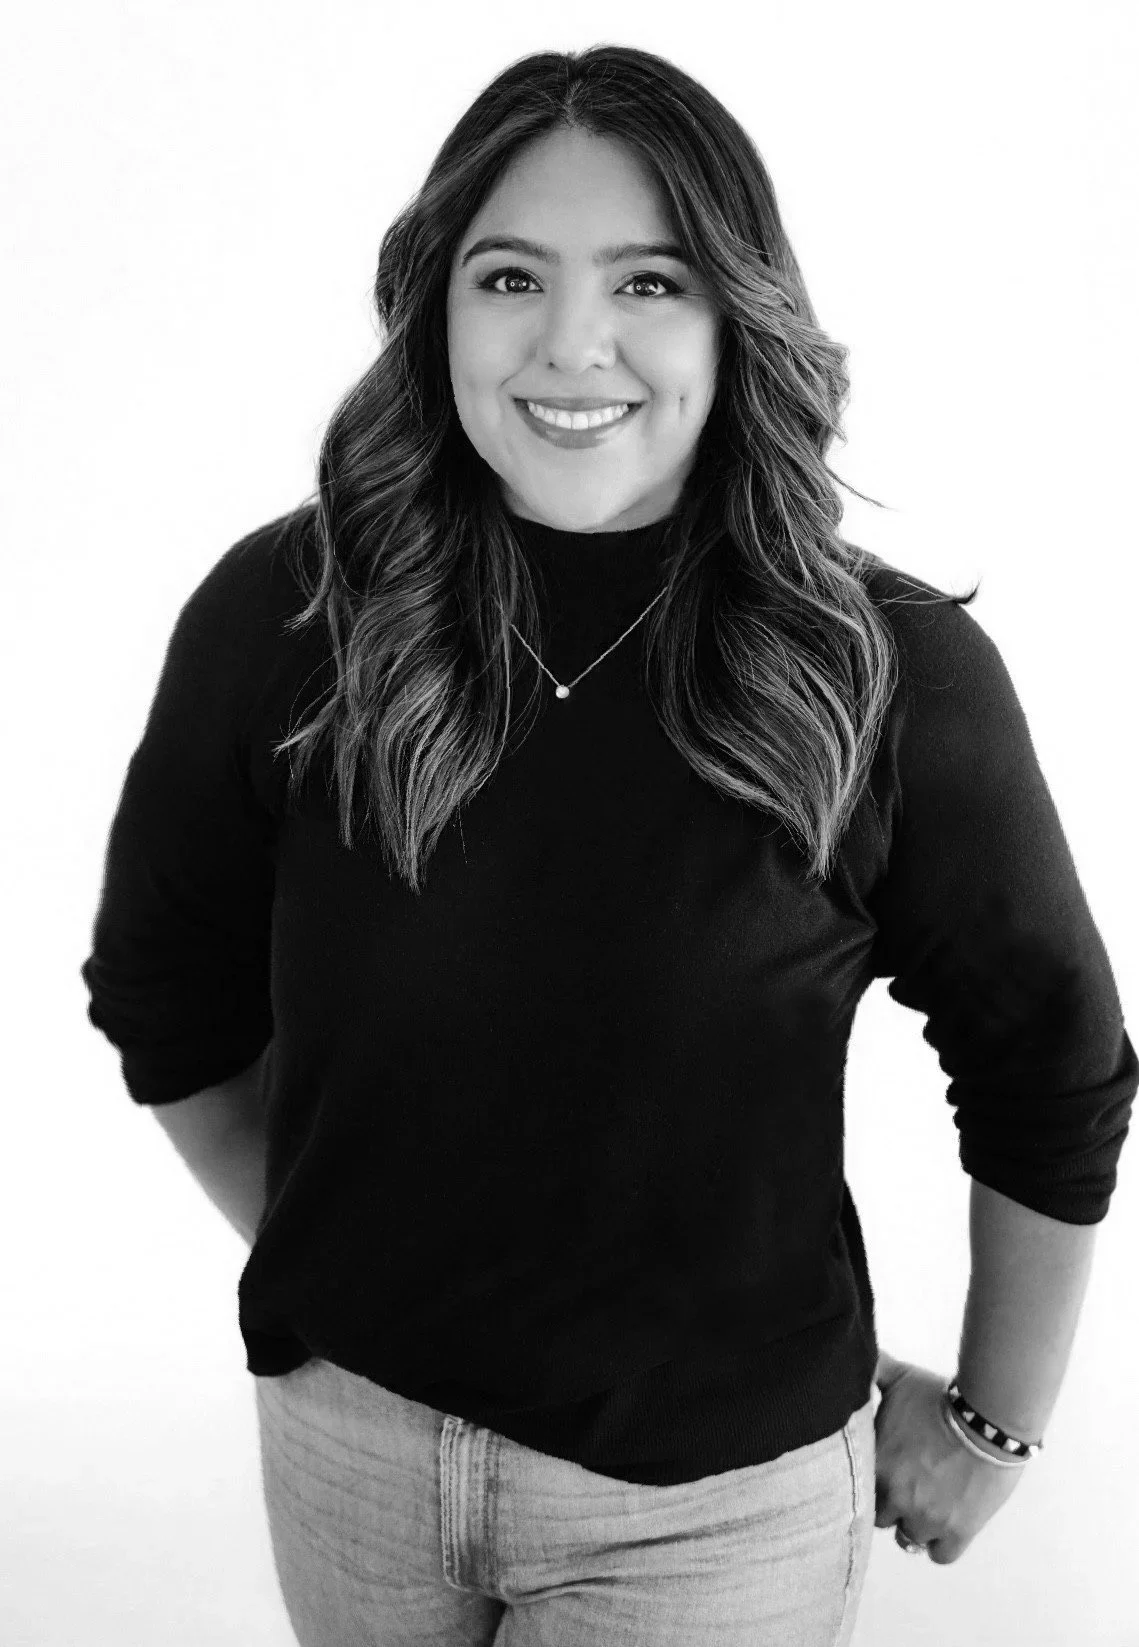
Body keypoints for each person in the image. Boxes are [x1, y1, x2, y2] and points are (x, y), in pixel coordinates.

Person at [79, 44, 1135, 1647]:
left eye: (648, 280)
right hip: (350, 1452)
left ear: (734, 314)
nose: (571, 343)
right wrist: (361, 1270)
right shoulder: (291, 615)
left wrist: (991, 1425)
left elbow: (1048, 1062)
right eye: (510, 276)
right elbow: (166, 993)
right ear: (435, 308)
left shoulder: (883, 671)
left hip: (709, 1515)